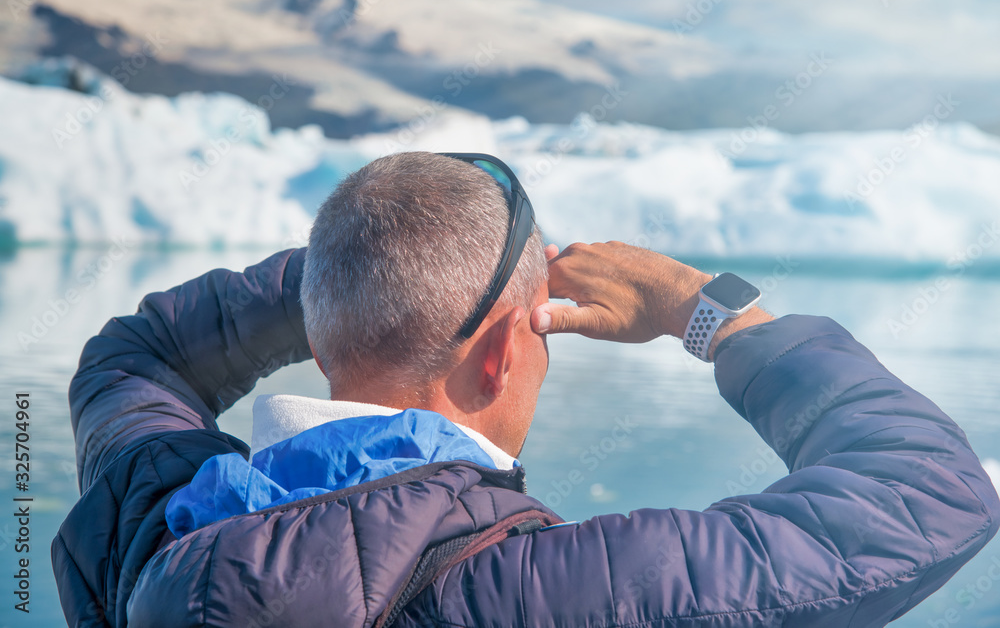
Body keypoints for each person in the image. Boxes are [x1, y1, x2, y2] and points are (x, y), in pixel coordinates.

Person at [53, 151, 998, 627]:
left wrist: (375, 265)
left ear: (316, 321)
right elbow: (923, 494)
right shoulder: (541, 589)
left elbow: (137, 354)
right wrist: (704, 310)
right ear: (504, 354)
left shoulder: (148, 518)